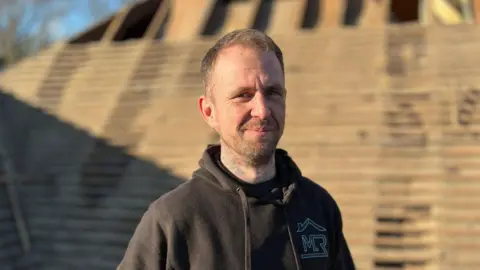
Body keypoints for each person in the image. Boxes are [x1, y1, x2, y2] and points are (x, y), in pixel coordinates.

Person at [117, 29, 355, 270]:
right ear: (209, 111)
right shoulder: (171, 219)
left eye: (273, 92)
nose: (262, 110)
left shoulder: (319, 208)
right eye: (243, 95)